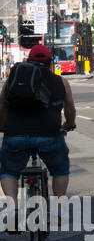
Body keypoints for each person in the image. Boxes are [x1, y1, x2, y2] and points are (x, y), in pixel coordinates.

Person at [0, 45, 76, 215]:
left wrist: (2, 126)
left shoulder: (13, 78)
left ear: (27, 61)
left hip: (15, 134)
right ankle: (58, 207)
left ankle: (12, 206)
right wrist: (69, 124)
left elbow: (1, 105)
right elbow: (70, 109)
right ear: (50, 63)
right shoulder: (61, 81)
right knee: (60, 169)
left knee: (8, 171)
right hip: (49, 135)